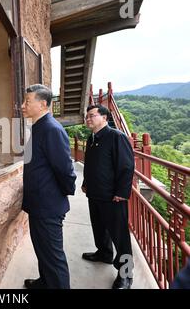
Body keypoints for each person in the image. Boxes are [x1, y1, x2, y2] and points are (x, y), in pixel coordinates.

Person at [21, 84, 76, 289]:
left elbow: (65, 170)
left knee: (53, 256)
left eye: (28, 101)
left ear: (43, 104)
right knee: (42, 249)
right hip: (39, 203)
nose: (22, 105)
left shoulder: (52, 129)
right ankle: (45, 282)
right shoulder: (37, 127)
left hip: (48, 204)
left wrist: (62, 193)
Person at [81, 104, 135, 289]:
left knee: (121, 238)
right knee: (99, 228)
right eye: (87, 116)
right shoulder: (91, 138)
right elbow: (92, 165)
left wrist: (121, 192)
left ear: (104, 118)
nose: (88, 119)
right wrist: (86, 183)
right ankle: (104, 253)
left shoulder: (116, 137)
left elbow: (127, 166)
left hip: (113, 197)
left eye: (92, 115)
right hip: (95, 194)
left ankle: (126, 274)